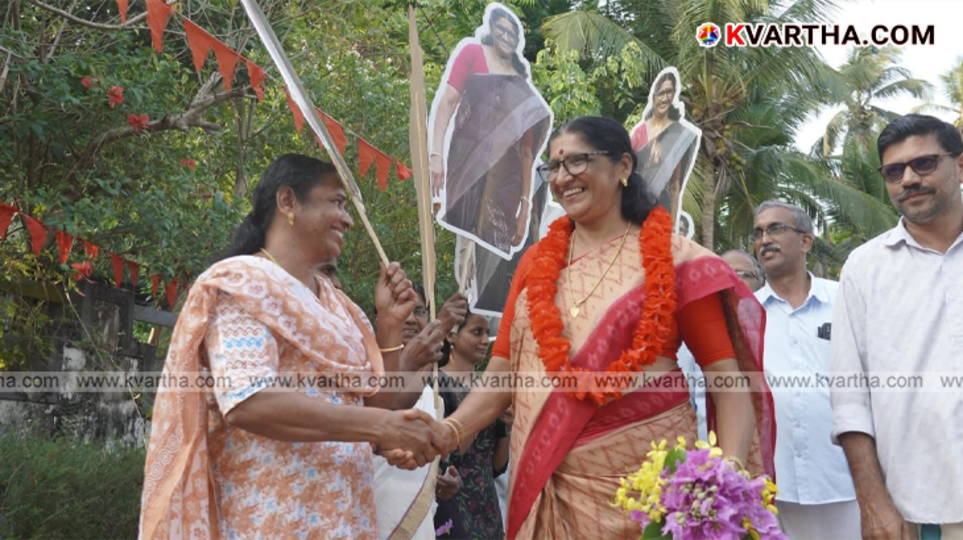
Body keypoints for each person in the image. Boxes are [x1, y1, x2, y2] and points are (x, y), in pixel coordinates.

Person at [389, 117, 776, 540]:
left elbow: (727, 382)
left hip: (650, 495)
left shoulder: (676, 260)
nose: (562, 178)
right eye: (554, 167)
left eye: (577, 162)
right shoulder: (535, 263)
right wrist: (449, 431)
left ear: (623, 166)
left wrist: (722, 482)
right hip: (546, 484)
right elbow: (501, 377)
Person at [139, 154, 450, 540]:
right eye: (337, 202)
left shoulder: (340, 307)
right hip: (272, 522)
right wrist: (384, 427)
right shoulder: (243, 284)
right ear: (288, 201)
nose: (348, 220)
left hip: (347, 521)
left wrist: (389, 324)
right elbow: (250, 401)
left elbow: (375, 403)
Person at [832, 115, 963, 540]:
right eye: (893, 171)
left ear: (960, 165)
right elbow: (850, 398)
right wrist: (872, 502)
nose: (908, 179)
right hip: (924, 512)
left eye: (924, 163)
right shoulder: (865, 269)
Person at [751, 201, 860, 539]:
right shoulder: (746, 313)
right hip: (773, 487)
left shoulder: (844, 300)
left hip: (845, 480)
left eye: (776, 229)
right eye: (758, 232)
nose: (765, 239)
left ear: (806, 241)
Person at [428, 4, 552, 258]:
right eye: (501, 30)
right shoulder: (472, 53)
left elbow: (526, 152)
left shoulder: (519, 80)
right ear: (492, 29)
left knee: (491, 254)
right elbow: (448, 102)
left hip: (505, 183)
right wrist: (436, 155)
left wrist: (525, 207)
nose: (506, 37)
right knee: (462, 245)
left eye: (512, 34)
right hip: (466, 165)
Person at [374, 284, 468, 540]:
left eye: (419, 310)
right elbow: (395, 404)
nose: (411, 319)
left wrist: (445, 482)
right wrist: (442, 327)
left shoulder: (434, 392)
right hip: (374, 516)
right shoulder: (366, 371)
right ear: (379, 317)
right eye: (401, 307)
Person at [433, 312, 509, 540]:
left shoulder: (490, 387)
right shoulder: (436, 383)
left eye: (487, 333)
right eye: (477, 332)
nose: (485, 340)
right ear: (452, 336)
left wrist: (506, 421)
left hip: (488, 507)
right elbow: (445, 457)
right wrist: (480, 411)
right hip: (453, 504)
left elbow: (497, 465)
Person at [677, 249, 766, 441]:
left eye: (740, 274)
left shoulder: (770, 331)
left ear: (761, 284)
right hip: (712, 451)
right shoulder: (692, 338)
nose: (729, 281)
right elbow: (686, 402)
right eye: (721, 275)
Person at [629, 69, 699, 227]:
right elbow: (624, 171)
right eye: (661, 93)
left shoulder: (678, 134)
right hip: (635, 208)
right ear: (654, 96)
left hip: (661, 212)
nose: (665, 98)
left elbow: (675, 187)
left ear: (674, 95)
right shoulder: (640, 132)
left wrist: (672, 228)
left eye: (669, 92)